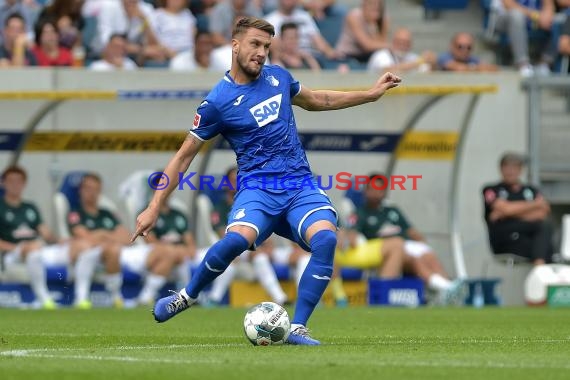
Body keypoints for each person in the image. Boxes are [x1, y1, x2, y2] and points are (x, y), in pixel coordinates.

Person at [132, 16, 400, 345]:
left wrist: (370, 94)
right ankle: (187, 296)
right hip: (257, 191)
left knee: (327, 240)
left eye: (267, 47)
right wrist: (154, 206)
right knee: (235, 241)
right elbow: (183, 157)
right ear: (235, 45)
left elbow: (319, 100)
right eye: (255, 44)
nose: (262, 52)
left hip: (299, 186)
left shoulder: (279, 78)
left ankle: (297, 327)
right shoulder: (217, 102)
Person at [346, 174, 464, 304]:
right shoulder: (360, 213)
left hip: (406, 246)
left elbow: (412, 232)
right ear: (366, 190)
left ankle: (446, 290)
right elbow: (352, 234)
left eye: (380, 189)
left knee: (427, 255)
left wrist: (422, 243)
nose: (376, 192)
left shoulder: (392, 210)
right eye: (372, 188)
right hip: (385, 249)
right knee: (411, 257)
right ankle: (445, 287)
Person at [68, 172, 178, 307]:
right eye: (88, 188)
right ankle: (114, 297)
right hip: (95, 255)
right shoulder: (75, 213)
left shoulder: (107, 214)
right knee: (110, 249)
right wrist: (109, 236)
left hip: (120, 251)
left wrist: (102, 235)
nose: (91, 193)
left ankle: (146, 297)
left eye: (95, 189)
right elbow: (85, 238)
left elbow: (127, 238)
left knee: (166, 253)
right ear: (81, 190)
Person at [0, 165, 101, 309]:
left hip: (38, 248)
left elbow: (45, 233)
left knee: (85, 247)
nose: (15, 185)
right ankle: (44, 298)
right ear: (3, 183)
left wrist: (60, 241)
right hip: (12, 253)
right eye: (11, 181)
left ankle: (81, 298)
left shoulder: (30, 207)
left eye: (19, 181)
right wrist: (20, 248)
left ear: (24, 184)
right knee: (33, 250)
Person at [206, 166, 289, 306]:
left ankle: (281, 299)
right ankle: (213, 299)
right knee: (252, 256)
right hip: (233, 246)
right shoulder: (220, 208)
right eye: (233, 180)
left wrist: (268, 246)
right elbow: (224, 236)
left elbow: (264, 229)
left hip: (253, 247)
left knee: (263, 256)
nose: (238, 183)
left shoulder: (253, 205)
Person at [482, 153, 554, 265]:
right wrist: (534, 205)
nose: (510, 171)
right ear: (500, 169)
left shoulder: (531, 190)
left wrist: (508, 212)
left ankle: (539, 267)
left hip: (529, 240)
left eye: (514, 167)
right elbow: (505, 209)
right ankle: (539, 268)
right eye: (507, 167)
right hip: (505, 243)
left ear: (521, 170)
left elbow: (543, 213)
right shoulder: (491, 189)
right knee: (544, 247)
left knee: (545, 230)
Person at [491, 0, 555, 76]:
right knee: (516, 15)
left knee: (556, 20)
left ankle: (544, 64)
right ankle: (522, 65)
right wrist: (535, 16)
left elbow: (548, 4)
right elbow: (508, 5)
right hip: (504, 17)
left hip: (533, 20)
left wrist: (547, 15)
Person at [334, 0, 389, 64]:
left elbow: (381, 43)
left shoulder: (382, 19)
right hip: (347, 56)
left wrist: (375, 25)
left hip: (368, 57)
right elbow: (367, 46)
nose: (375, 6)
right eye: (371, 3)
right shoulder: (353, 16)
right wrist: (391, 46)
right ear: (363, 4)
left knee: (384, 57)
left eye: (378, 4)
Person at [367, 27, 435, 74]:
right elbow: (387, 70)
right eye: (399, 42)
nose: (402, 45)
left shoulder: (412, 57)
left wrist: (431, 63)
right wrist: (419, 61)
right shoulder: (381, 55)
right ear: (393, 42)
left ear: (410, 44)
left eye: (406, 43)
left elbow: (426, 71)